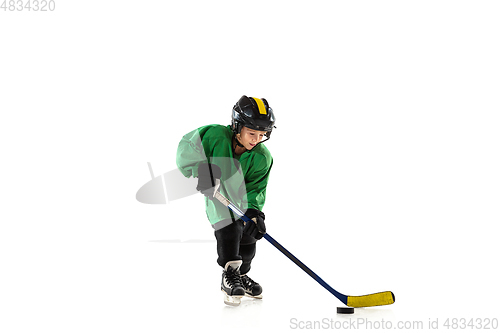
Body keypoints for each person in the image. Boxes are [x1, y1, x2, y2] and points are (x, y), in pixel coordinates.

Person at [176, 95, 276, 306]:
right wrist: (201, 170)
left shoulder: (262, 157)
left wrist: (254, 212)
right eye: (251, 133)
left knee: (249, 236)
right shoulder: (214, 135)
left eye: (262, 134)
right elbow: (186, 149)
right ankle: (229, 276)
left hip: (241, 201)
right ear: (236, 126)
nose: (256, 139)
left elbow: (257, 187)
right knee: (230, 230)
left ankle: (241, 274)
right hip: (218, 195)